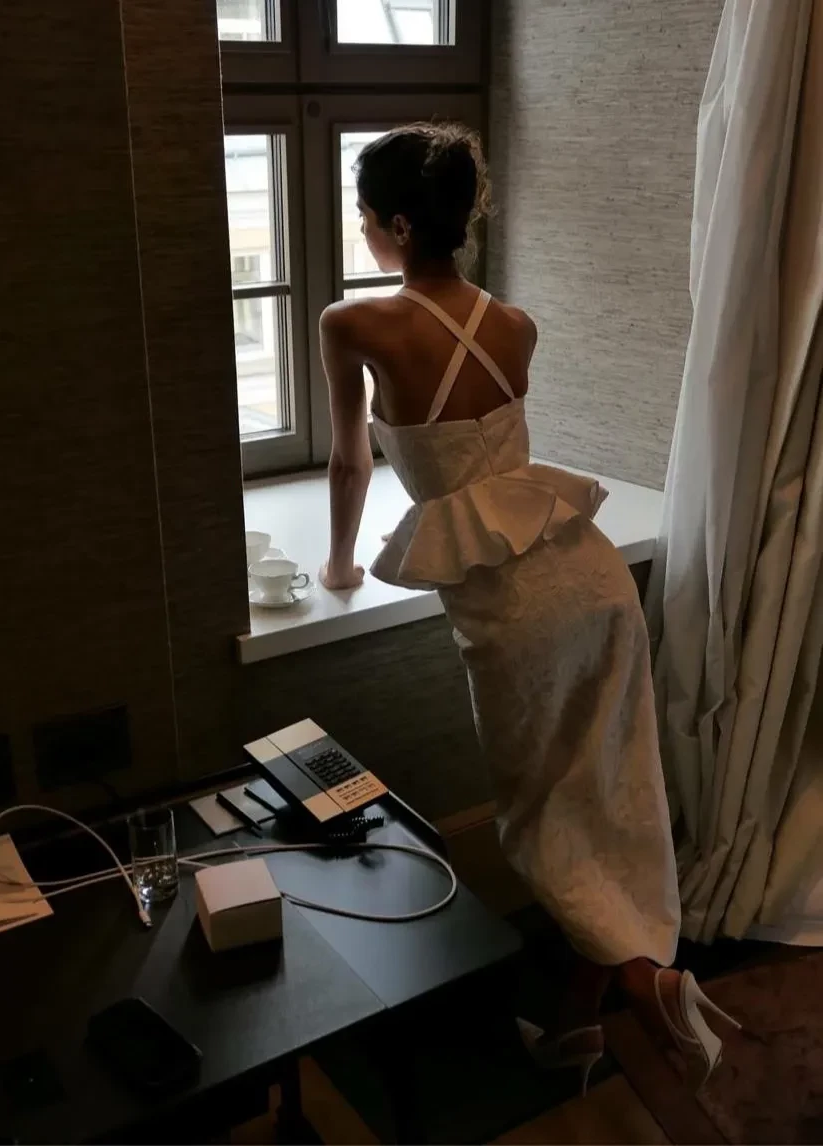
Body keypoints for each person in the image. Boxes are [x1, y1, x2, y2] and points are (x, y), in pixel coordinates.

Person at [318, 122, 739, 1094]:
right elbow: (491, 462)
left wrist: (340, 567)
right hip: (589, 580)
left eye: (365, 216)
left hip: (515, 612)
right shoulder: (514, 324)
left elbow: (347, 463)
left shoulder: (353, 323)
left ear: (398, 224)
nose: (362, 231)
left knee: (541, 821)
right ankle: (573, 1027)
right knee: (611, 800)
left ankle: (645, 985)